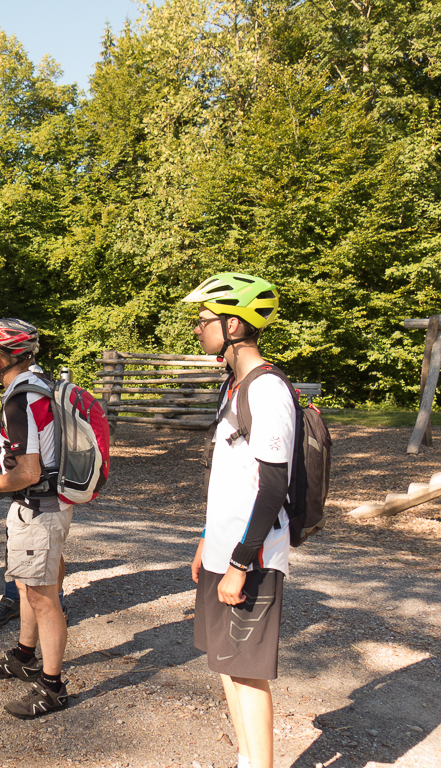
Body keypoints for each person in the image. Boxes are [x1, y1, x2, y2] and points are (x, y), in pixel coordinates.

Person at [182, 273, 291, 768]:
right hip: (224, 552)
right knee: (226, 665)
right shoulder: (234, 388)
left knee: (248, 674)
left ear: (233, 325)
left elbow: (272, 489)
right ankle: (246, 759)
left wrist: (241, 563)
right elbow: (229, 477)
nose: (198, 330)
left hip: (252, 558)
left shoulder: (268, 390)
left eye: (203, 321)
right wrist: (208, 539)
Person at [0, 318, 72, 719]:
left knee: (42, 597)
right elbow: (39, 448)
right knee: (28, 585)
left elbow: (28, 472)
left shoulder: (19, 398)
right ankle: (24, 655)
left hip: (38, 508)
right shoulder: (40, 384)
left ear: (1, 355)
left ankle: (52, 687)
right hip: (51, 504)